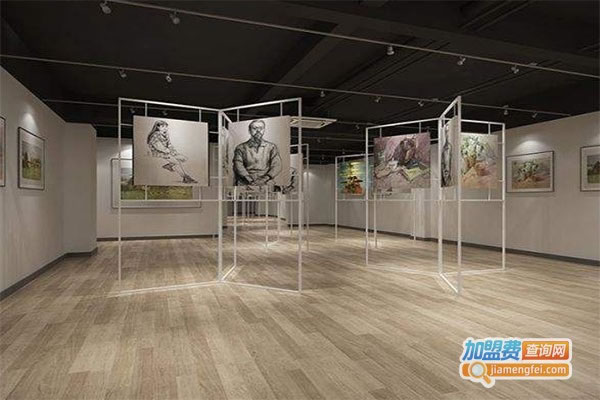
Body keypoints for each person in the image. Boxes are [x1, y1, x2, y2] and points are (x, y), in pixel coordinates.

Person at [233, 119, 282, 186]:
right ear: (249, 130)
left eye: (261, 128)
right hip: (245, 181)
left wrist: (264, 179)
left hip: (266, 181)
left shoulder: (271, 147)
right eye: (255, 128)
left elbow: (277, 165)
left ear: (264, 130)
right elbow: (238, 165)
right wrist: (250, 180)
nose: (258, 131)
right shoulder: (240, 147)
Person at [146, 120, 197, 184]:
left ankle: (169, 166)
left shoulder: (166, 134)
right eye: (163, 126)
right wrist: (167, 151)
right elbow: (158, 146)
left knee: (183, 158)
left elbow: (169, 144)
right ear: (158, 127)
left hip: (167, 151)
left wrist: (174, 152)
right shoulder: (154, 136)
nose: (165, 128)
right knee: (176, 162)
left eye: (166, 126)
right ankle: (185, 177)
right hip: (159, 152)